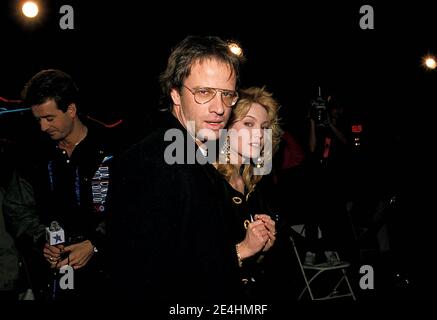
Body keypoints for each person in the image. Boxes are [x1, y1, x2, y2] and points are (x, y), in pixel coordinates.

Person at [107, 35, 249, 300]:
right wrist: (240, 252)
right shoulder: (156, 162)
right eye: (204, 92)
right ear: (175, 93)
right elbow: (144, 274)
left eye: (227, 95)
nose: (219, 108)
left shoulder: (191, 152)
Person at [2, 69, 116, 299]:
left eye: (49, 118)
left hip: (108, 278)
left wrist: (95, 244)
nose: (43, 127)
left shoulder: (111, 150)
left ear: (71, 110)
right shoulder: (32, 154)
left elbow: (134, 207)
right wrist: (41, 239)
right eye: (38, 120)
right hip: (51, 281)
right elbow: (17, 207)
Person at [214, 86, 286, 299]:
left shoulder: (252, 183)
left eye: (264, 127)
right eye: (248, 124)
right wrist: (244, 249)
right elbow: (190, 262)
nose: (259, 135)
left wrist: (263, 247)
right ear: (225, 128)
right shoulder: (206, 181)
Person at [303, 94, 355, 265]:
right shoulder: (318, 124)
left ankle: (330, 251)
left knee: (330, 216)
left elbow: (346, 141)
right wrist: (312, 121)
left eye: (340, 109)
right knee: (313, 214)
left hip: (333, 177)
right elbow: (311, 147)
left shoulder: (340, 125)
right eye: (335, 108)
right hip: (315, 175)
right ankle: (310, 253)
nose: (338, 111)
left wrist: (330, 124)